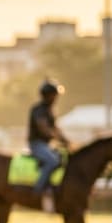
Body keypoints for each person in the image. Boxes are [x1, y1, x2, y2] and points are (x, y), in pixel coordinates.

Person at [28, 80, 71, 213]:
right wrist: (58, 139)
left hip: (46, 145)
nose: (56, 98)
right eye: (54, 95)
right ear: (47, 95)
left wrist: (68, 142)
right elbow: (44, 129)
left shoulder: (50, 110)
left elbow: (55, 129)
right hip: (36, 144)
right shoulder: (38, 110)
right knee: (53, 161)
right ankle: (38, 189)